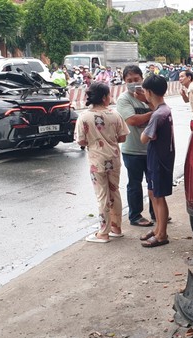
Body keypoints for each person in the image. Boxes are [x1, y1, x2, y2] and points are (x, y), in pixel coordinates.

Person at [75, 82, 130, 243]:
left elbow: (81, 142)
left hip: (96, 162)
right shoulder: (115, 115)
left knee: (102, 195)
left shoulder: (84, 117)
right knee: (115, 192)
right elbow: (122, 137)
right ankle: (116, 228)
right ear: (105, 97)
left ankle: (103, 233)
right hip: (114, 159)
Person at [116, 65, 157, 227]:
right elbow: (132, 120)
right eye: (129, 80)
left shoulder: (149, 96)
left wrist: (147, 101)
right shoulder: (123, 99)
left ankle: (157, 213)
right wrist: (152, 114)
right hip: (131, 149)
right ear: (124, 82)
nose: (133, 83)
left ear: (142, 78)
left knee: (154, 183)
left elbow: (161, 110)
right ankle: (135, 216)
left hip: (151, 149)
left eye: (136, 79)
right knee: (134, 184)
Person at [139, 75, 175, 248]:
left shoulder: (157, 115)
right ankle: (158, 229)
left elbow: (144, 138)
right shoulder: (164, 110)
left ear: (149, 92)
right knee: (154, 194)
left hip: (159, 159)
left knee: (158, 197)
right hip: (161, 157)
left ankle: (162, 234)